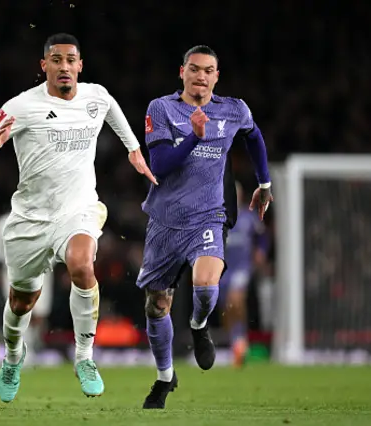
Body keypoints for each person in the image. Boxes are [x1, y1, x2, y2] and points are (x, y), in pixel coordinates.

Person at [0, 33, 156, 403]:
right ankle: (12, 355)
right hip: (30, 220)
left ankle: (84, 357)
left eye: (71, 59)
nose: (64, 66)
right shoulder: (21, 106)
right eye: (56, 59)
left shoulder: (95, 96)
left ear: (80, 65)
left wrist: (134, 149)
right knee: (22, 302)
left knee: (81, 264)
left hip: (78, 209)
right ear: (45, 66)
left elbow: (111, 109)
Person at [137, 45, 273, 409]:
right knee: (155, 306)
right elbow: (161, 165)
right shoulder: (161, 108)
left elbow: (254, 136)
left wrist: (264, 183)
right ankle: (165, 378)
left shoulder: (233, 109)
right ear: (182, 72)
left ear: (216, 75)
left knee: (206, 284)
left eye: (208, 70)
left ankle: (199, 326)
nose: (201, 76)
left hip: (208, 216)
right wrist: (195, 136)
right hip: (165, 220)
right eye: (194, 69)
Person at [0, 211, 54, 362]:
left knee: (38, 316)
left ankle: (32, 349)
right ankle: (21, 353)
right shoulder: (4, 222)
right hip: (15, 273)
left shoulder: (46, 219)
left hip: (41, 271)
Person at [220, 182, 269, 368]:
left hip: (242, 267)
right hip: (223, 269)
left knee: (237, 299)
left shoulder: (249, 218)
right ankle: (236, 343)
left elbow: (263, 236)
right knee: (226, 308)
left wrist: (261, 251)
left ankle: (241, 340)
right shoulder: (217, 218)